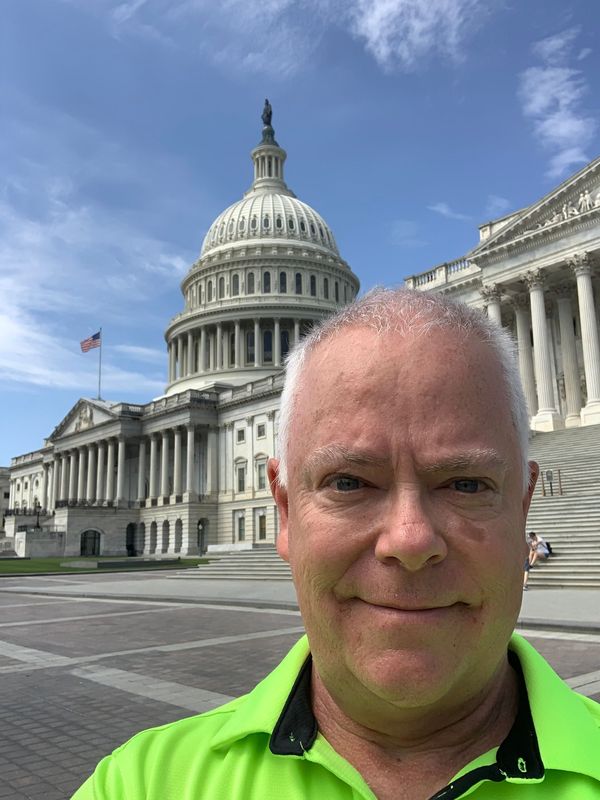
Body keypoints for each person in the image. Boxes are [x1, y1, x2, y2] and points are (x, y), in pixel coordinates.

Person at [72, 289, 600, 799]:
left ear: (523, 507)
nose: (409, 541)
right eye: (348, 482)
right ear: (284, 511)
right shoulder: (141, 785)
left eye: (466, 484)